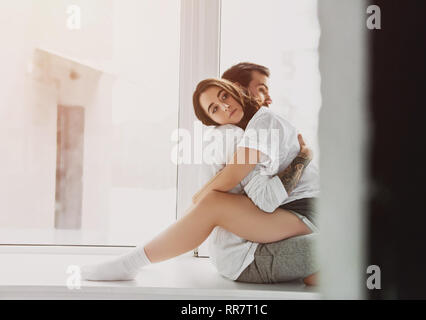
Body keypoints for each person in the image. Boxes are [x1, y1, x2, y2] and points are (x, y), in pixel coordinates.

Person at [81, 76, 319, 285]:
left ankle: (129, 264)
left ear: (236, 90)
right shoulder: (242, 137)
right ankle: (129, 263)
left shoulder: (263, 122)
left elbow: (260, 196)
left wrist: (302, 158)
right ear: (213, 121)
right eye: (215, 109)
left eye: (225, 96)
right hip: (291, 214)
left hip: (305, 213)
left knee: (212, 203)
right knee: (211, 202)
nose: (225, 106)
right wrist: (198, 203)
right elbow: (244, 181)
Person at [199, 62, 319, 284]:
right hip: (247, 255)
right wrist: (303, 157)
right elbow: (265, 199)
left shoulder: (255, 131)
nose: (269, 98)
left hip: (265, 239)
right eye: (262, 88)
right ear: (240, 89)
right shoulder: (238, 137)